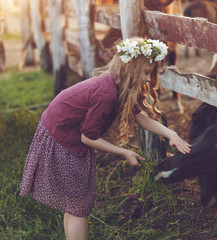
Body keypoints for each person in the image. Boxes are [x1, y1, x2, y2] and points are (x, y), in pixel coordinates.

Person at [19, 37, 191, 240]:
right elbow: (88, 137)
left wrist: (171, 133)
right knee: (79, 206)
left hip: (63, 132)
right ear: (131, 68)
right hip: (62, 138)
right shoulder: (106, 92)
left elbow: (140, 117)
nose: (147, 79)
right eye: (146, 72)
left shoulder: (118, 84)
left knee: (76, 203)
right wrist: (124, 151)